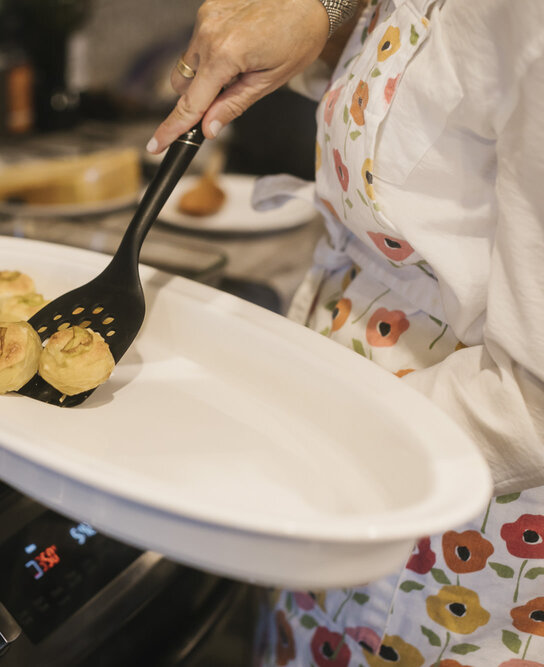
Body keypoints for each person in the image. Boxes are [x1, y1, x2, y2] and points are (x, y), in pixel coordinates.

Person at [148, 0, 544, 664]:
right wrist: (323, 13)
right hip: (337, 501)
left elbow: (534, 396)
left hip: (451, 539)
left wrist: (307, 443)